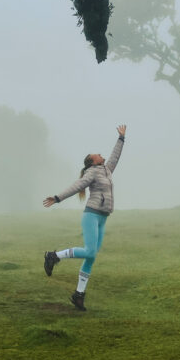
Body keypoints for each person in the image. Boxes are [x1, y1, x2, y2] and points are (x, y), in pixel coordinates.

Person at [43, 124, 127, 311]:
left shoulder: (106, 170)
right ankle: (53, 256)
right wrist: (57, 198)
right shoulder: (91, 173)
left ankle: (79, 295)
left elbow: (115, 157)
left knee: (91, 256)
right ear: (92, 161)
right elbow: (76, 186)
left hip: (103, 217)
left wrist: (121, 138)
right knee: (89, 252)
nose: (100, 153)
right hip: (92, 215)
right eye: (96, 153)